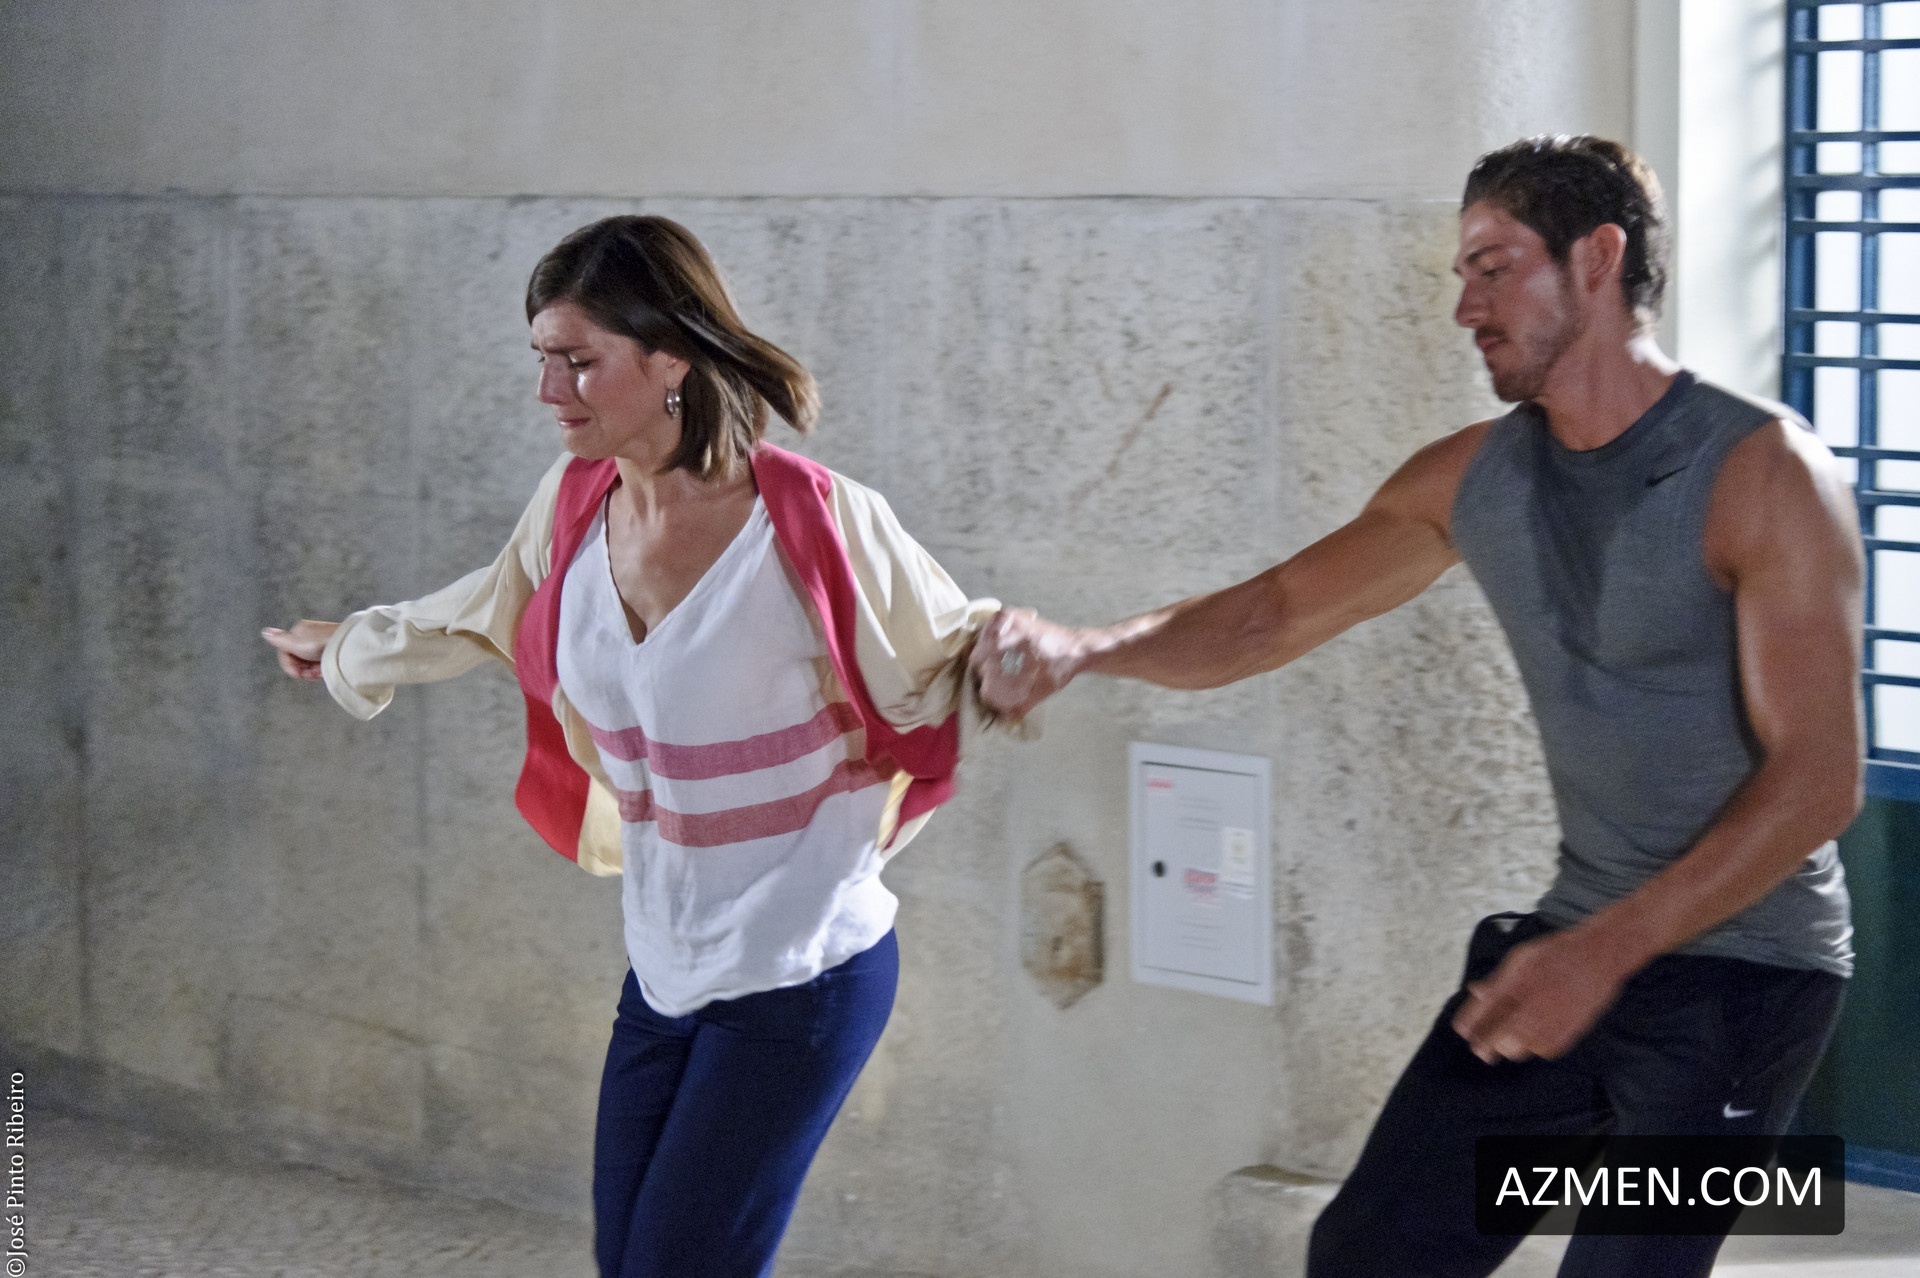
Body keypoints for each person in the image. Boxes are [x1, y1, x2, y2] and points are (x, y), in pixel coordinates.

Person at [971, 135, 1860, 1278]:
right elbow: (1267, 616)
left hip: (1751, 979)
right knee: (1369, 1254)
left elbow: (1819, 782)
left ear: (1597, 259)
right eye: (1461, 275)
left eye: (1494, 268)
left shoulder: (1762, 472)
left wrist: (1602, 954)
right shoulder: (1472, 478)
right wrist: (1080, 650)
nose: (1464, 308)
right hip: (1569, 949)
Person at [262, 215, 999, 1278]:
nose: (548, 391)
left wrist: (1032, 653)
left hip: (802, 971)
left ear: (672, 357)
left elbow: (957, 641)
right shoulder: (575, 505)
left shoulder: (813, 521)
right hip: (663, 967)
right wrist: (352, 644)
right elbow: (487, 608)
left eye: (578, 361)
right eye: (540, 359)